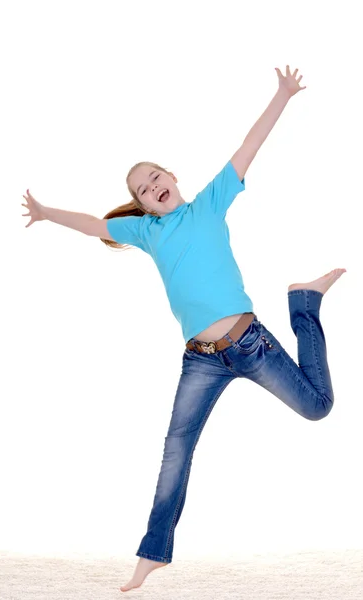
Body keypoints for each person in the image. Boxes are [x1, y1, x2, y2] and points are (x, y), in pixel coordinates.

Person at [21, 65, 346, 593]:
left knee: (317, 407)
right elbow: (92, 224)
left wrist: (282, 95)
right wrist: (45, 212)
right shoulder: (146, 232)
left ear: (172, 177)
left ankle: (303, 304)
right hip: (199, 357)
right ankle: (153, 554)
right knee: (177, 446)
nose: (153, 189)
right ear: (143, 205)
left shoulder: (211, 201)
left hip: (251, 344)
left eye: (156, 179)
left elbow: (249, 144)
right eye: (143, 191)